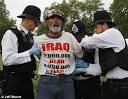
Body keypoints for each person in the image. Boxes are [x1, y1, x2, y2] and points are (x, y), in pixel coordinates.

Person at [34, 9, 83, 99]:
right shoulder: (38, 40)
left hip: (66, 82)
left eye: (59, 18)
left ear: (62, 23)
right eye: (52, 18)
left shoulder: (69, 37)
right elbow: (34, 55)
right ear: (47, 21)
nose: (56, 20)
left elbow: (80, 54)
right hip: (46, 82)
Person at [81, 10, 128, 99]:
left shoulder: (113, 33)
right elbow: (99, 69)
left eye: (96, 26)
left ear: (104, 25)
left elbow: (87, 42)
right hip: (110, 86)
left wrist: (83, 39)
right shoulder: (101, 45)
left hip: (124, 86)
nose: (94, 30)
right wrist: (85, 68)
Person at [1, 5, 41, 99]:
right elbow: (7, 60)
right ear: (27, 19)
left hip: (27, 81)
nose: (37, 25)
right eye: (35, 21)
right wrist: (29, 53)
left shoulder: (31, 37)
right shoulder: (11, 34)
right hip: (13, 82)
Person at [72, 20, 101, 99]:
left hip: (90, 81)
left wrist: (86, 67)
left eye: (79, 35)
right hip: (75, 82)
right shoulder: (71, 42)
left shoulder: (93, 42)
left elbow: (101, 66)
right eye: (75, 36)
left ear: (84, 33)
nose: (77, 38)